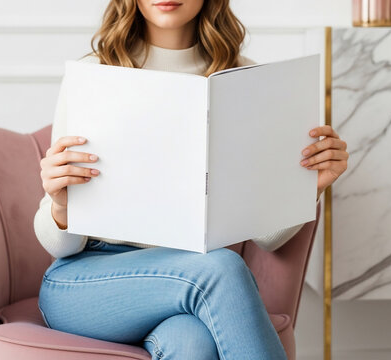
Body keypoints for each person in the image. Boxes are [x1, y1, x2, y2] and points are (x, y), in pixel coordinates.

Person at [35, 1, 349, 359]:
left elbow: (267, 238)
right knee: (221, 266)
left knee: (191, 345)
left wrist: (310, 186)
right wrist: (60, 203)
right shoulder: (96, 72)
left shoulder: (245, 80)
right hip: (87, 279)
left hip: (189, 282)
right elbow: (59, 246)